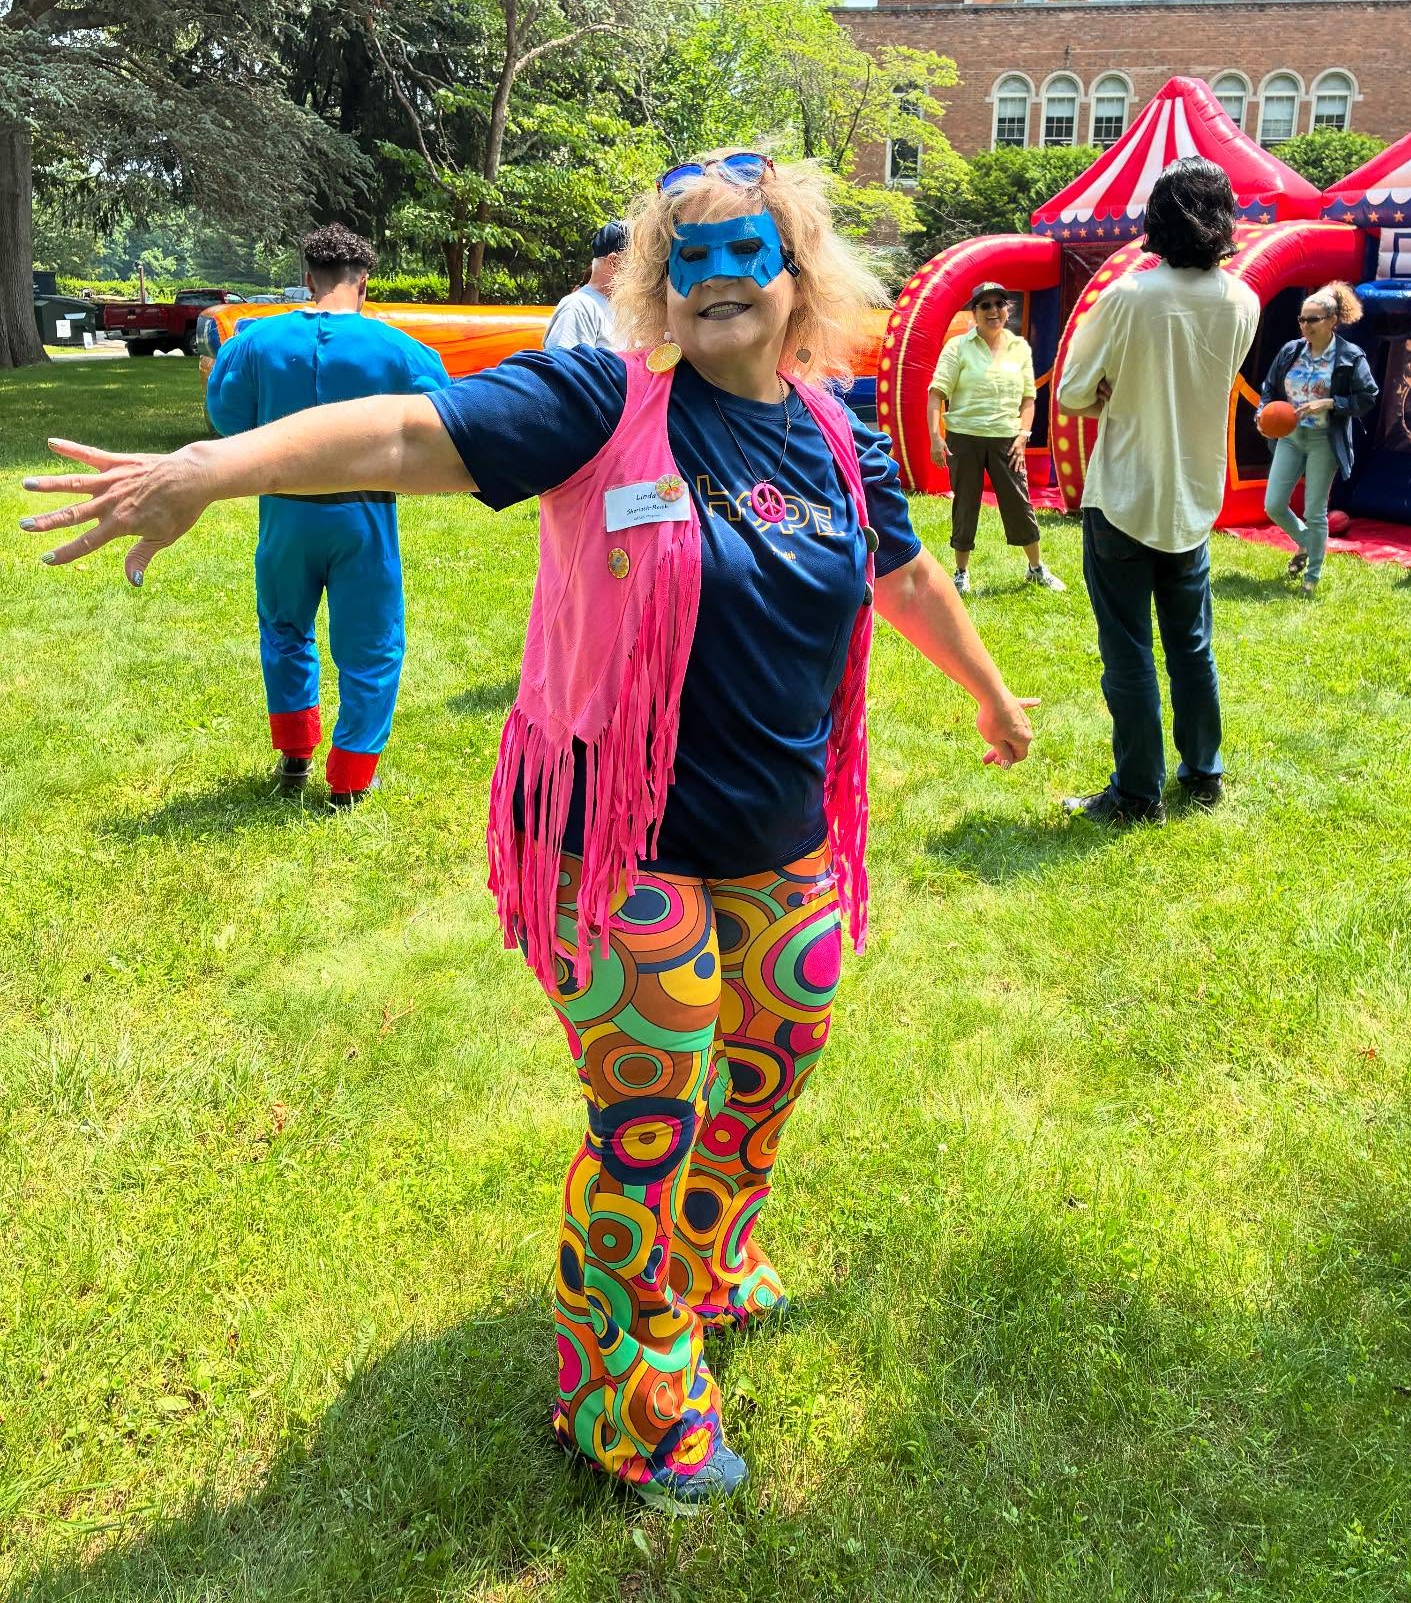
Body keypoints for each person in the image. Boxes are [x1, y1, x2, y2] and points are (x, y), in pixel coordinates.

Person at [22, 150, 1036, 1515]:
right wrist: (210, 467)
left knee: (766, 1076)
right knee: (651, 1117)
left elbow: (897, 571)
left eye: (747, 253)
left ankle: (710, 1261)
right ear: (658, 282)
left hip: (782, 833)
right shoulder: (598, 401)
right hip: (611, 840)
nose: (716, 280)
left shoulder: (839, 430)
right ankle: (627, 1394)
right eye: (687, 256)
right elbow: (403, 435)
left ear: (799, 277)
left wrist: (987, 691)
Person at [204, 223, 450, 807]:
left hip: (284, 514)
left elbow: (227, 417)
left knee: (284, 630)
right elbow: (445, 419)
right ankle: (352, 778)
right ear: (363, 283)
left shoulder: (254, 342)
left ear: (308, 280)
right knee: (371, 644)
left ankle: (294, 755)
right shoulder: (400, 349)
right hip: (362, 513)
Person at [1056, 157, 1259, 827]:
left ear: (1158, 219)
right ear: (1225, 218)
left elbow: (1072, 391)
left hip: (1124, 493)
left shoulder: (1129, 295)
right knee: (1192, 647)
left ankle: (1137, 795)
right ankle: (1203, 774)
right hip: (1194, 494)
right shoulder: (1243, 299)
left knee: (1129, 654)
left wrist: (1111, 392)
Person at [926, 281, 1066, 594]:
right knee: (965, 504)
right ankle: (961, 573)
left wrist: (1023, 434)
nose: (993, 310)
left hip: (1007, 438)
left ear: (1008, 309)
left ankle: (1036, 568)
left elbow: (1028, 398)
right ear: (974, 312)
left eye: (999, 304)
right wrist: (936, 437)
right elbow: (936, 394)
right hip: (965, 438)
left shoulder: (1019, 348)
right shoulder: (958, 347)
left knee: (1019, 502)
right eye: (985, 305)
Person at [1259, 282, 1378, 595]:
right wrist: (1263, 415)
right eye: (1302, 319)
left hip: (1324, 439)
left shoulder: (1350, 357)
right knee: (1273, 505)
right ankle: (1305, 543)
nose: (1305, 325)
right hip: (1290, 437)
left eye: (1313, 319)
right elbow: (1269, 389)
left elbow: (1367, 397)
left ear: (1332, 320)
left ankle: (1311, 577)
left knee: (1314, 511)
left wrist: (1330, 403)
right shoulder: (1291, 351)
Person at [543, 220, 629, 350]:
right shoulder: (578, 308)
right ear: (614, 263)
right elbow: (567, 362)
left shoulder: (625, 309)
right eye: (638, 264)